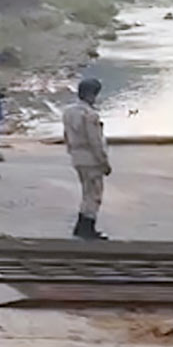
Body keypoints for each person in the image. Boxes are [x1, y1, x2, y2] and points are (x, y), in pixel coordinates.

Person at [62, 78, 111, 239]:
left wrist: (71, 152)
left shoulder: (68, 112)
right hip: (91, 159)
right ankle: (87, 228)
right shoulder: (90, 115)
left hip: (77, 157)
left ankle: (80, 227)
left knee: (86, 192)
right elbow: (95, 141)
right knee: (94, 195)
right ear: (92, 94)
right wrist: (104, 162)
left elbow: (66, 136)